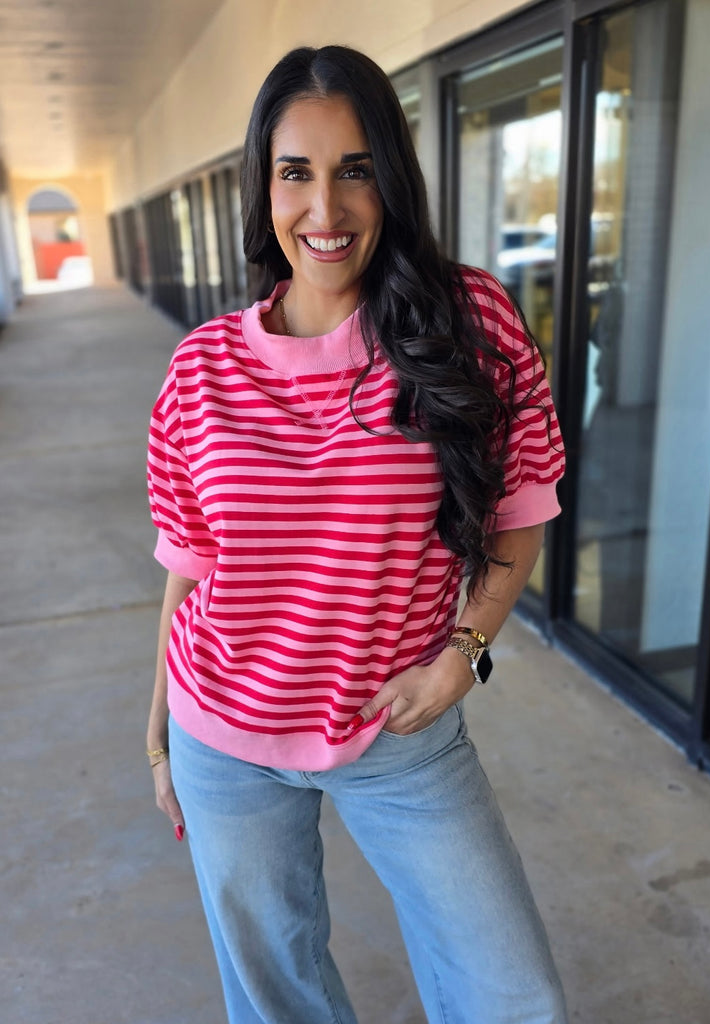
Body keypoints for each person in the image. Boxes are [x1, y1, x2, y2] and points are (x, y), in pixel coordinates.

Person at [145, 44, 568, 1024]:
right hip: (224, 736)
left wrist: (464, 655)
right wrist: (158, 729)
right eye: (296, 172)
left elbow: (522, 510)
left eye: (356, 170)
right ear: (264, 186)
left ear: (392, 180)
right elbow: (191, 567)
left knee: (515, 995)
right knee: (279, 998)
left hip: (398, 729)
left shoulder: (469, 323)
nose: (324, 209)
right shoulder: (202, 368)